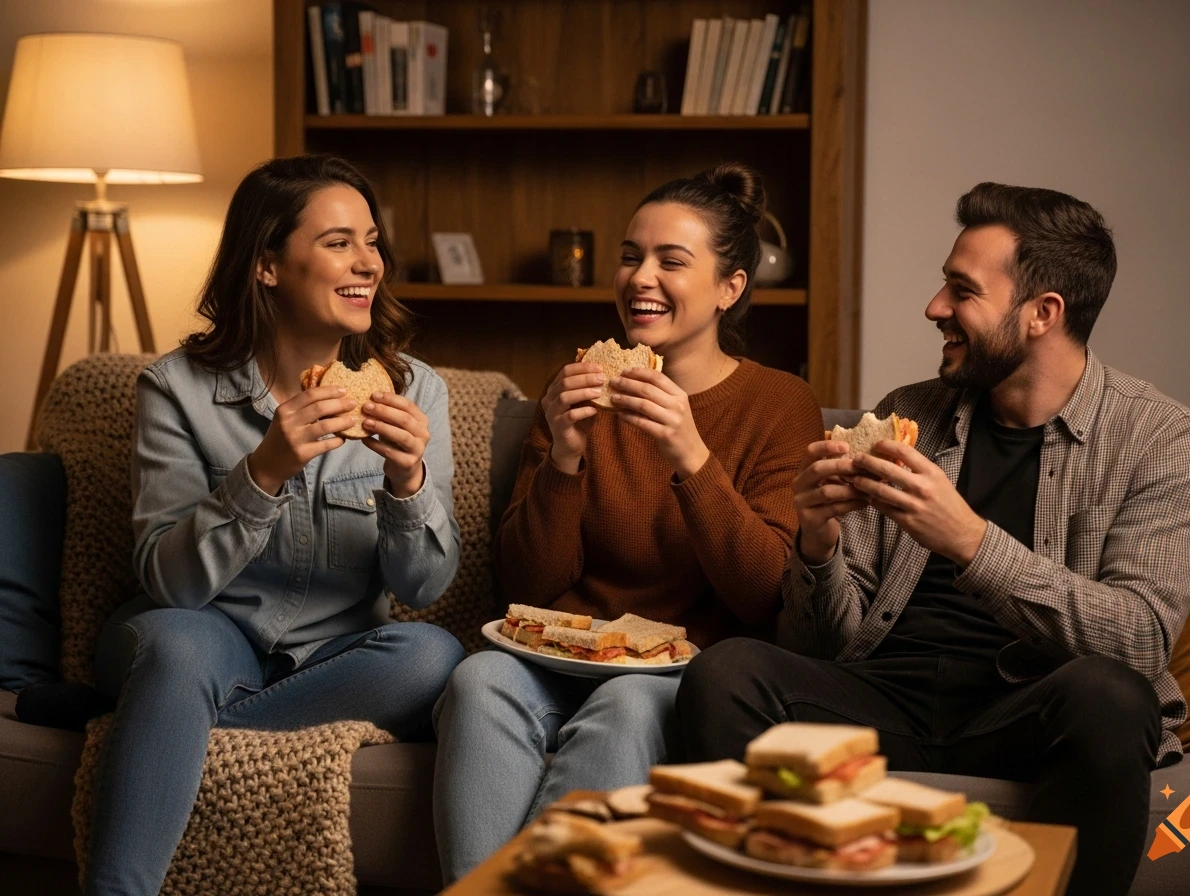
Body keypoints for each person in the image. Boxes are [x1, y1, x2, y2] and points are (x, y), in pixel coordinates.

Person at [673, 183, 1190, 896]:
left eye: (962, 291)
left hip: (1021, 709)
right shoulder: (908, 415)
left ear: (1042, 313)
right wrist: (817, 544)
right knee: (727, 672)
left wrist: (970, 541)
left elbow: (1141, 640)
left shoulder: (1159, 439)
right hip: (881, 697)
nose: (935, 309)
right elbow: (820, 647)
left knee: (1112, 698)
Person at [431, 163, 824, 882]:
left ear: (729, 288)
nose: (641, 277)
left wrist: (690, 453)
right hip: (557, 655)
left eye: (672, 261)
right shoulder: (576, 383)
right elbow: (526, 584)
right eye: (629, 256)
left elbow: (763, 591)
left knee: (629, 700)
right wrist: (566, 460)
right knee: (479, 677)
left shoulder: (780, 404)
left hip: (679, 670)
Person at [85, 155, 465, 896]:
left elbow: (423, 585)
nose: (369, 264)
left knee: (432, 656)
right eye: (338, 243)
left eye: (372, 241)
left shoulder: (417, 390)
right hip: (202, 631)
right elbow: (168, 581)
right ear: (266, 265)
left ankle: (161, 725)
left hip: (338, 655)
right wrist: (262, 470)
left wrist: (406, 480)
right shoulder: (176, 388)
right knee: (173, 650)